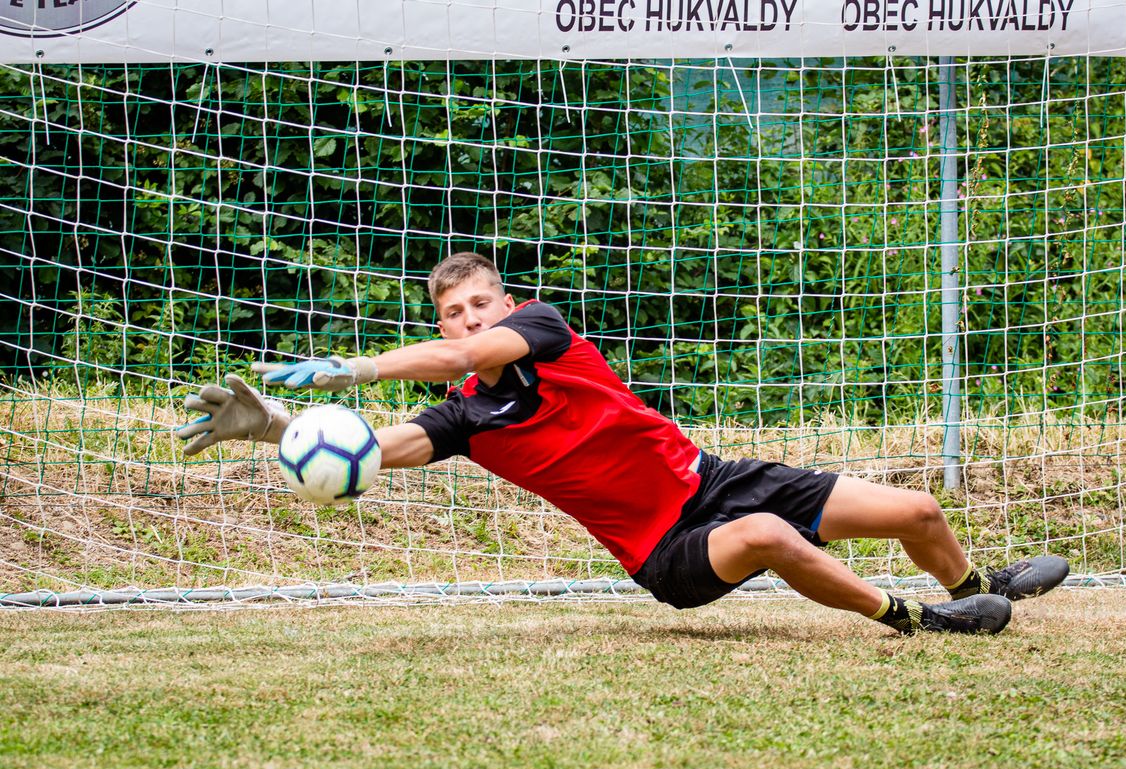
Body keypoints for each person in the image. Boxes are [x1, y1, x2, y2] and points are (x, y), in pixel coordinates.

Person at [176, 252, 1068, 634]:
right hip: (665, 549)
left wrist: (353, 368)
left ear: (507, 303)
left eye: (480, 303)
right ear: (440, 322)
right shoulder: (461, 421)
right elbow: (367, 453)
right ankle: (914, 619)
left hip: (712, 478)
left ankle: (977, 590)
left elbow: (466, 357)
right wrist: (277, 426)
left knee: (917, 509)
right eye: (452, 312)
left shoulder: (543, 327)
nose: (470, 319)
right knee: (767, 536)